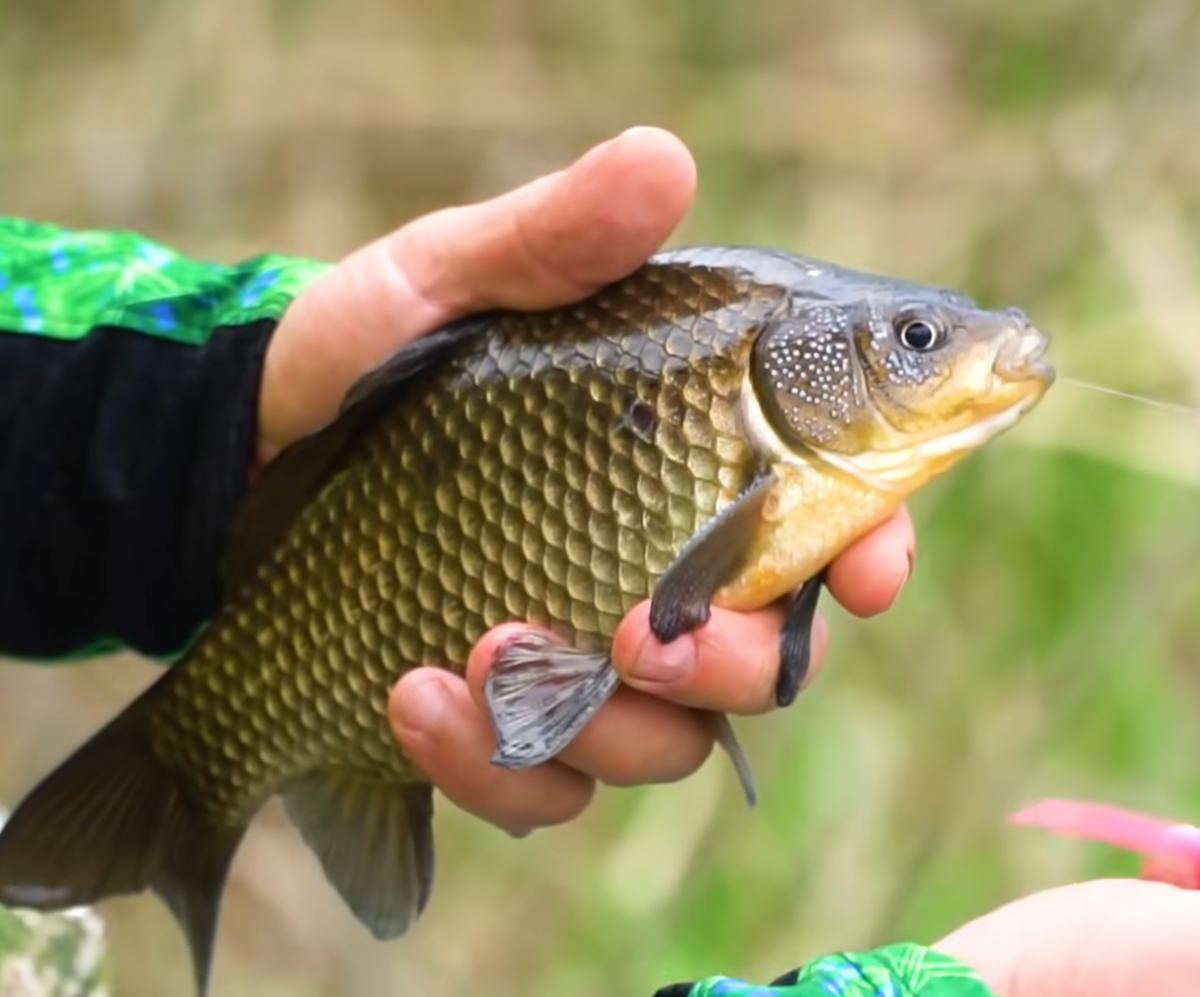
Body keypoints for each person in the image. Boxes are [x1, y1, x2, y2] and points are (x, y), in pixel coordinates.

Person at [0, 126, 1194, 997]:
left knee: (610, 669)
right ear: (801, 367)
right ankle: (183, 785)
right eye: (915, 341)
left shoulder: (807, 441)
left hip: (296, 472)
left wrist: (222, 411)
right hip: (381, 524)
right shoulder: (754, 401)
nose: (966, 348)